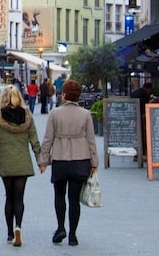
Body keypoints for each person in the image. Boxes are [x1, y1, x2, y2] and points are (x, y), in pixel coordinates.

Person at [38, 80, 98, 247]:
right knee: (74, 198)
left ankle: (60, 227)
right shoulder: (85, 114)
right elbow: (91, 140)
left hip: (60, 159)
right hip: (80, 159)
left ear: (63, 94)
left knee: (59, 195)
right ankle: (73, 235)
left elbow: (48, 139)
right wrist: (94, 161)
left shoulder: (54, 113)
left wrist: (43, 161)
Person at [0, 86, 41, 247]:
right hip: (23, 161)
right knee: (19, 198)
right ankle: (18, 226)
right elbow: (34, 139)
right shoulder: (27, 115)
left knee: (9, 197)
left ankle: (10, 233)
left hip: (6, 161)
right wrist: (40, 159)